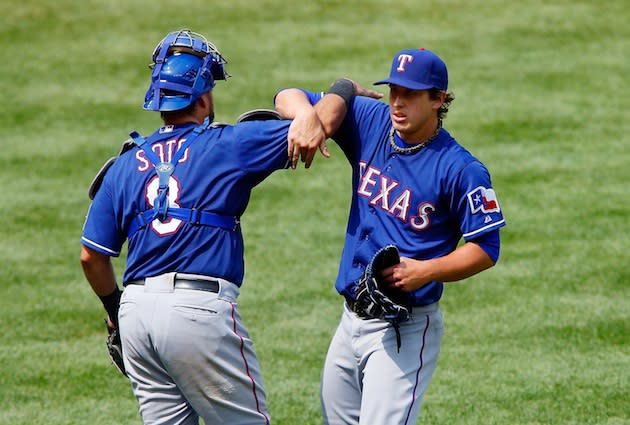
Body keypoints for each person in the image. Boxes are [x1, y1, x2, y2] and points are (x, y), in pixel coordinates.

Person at [79, 29, 339, 425]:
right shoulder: (228, 144)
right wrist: (343, 89)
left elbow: (91, 256)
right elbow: (317, 123)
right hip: (196, 311)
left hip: (136, 317)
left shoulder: (125, 163)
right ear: (202, 97)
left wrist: (114, 308)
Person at [274, 48, 506, 425]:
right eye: (394, 91)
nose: (398, 103)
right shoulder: (372, 121)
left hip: (405, 328)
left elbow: (486, 249)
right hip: (349, 321)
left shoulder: (462, 169)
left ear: (438, 100)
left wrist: (426, 271)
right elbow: (286, 95)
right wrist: (307, 115)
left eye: (410, 95)